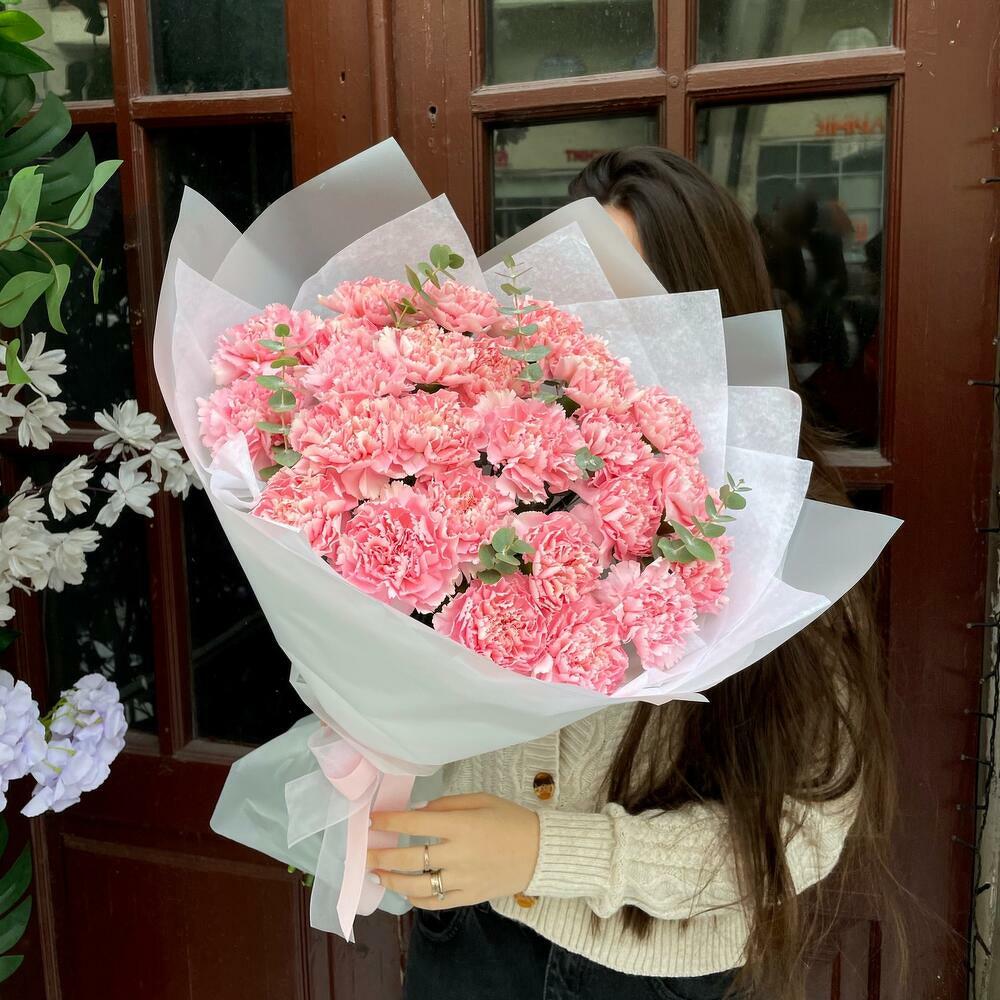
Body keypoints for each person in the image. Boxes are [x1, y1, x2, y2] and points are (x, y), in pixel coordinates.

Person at [368, 147, 895, 1000]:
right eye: (578, 299)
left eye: (639, 305)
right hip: (467, 934)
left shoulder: (771, 521)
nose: (603, 336)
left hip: (649, 969)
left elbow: (803, 827)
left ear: (709, 311)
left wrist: (549, 851)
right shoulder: (477, 463)